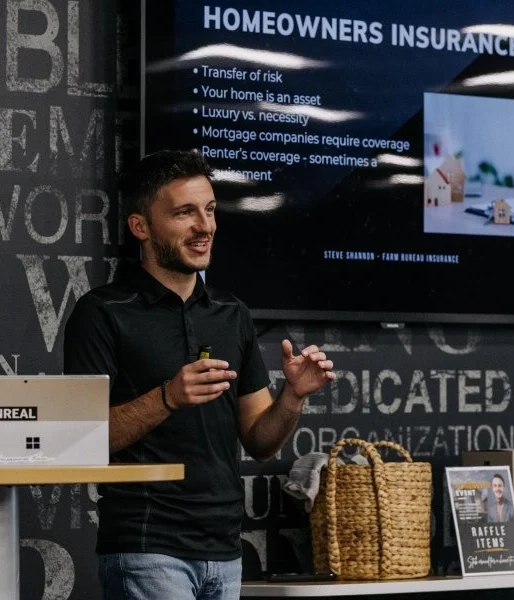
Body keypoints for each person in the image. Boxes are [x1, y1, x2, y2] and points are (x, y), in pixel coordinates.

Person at [63, 149, 336, 600]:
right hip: (147, 548)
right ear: (141, 227)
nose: (204, 226)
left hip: (225, 550)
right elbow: (80, 440)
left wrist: (293, 397)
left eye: (209, 210)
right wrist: (167, 397)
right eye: (184, 213)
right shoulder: (103, 313)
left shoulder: (232, 313)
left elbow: (261, 442)